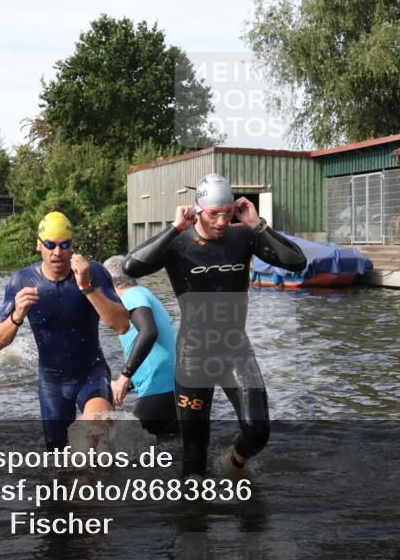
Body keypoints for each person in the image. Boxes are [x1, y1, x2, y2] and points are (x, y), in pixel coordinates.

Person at [124, 173, 307, 477]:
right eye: (213, 214)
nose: (221, 222)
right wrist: (174, 228)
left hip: (235, 349)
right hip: (194, 355)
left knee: (257, 429)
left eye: (226, 213)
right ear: (198, 210)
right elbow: (132, 266)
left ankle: (232, 463)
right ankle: (193, 519)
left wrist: (257, 224)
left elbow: (297, 262)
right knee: (194, 452)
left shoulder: (243, 236)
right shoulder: (179, 243)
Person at [0, 211, 130, 450]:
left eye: (64, 245)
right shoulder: (22, 281)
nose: (57, 252)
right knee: (58, 459)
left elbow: (122, 324)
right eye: (50, 245)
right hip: (52, 382)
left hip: (91, 373)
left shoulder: (93, 272)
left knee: (96, 425)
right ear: (39, 246)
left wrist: (86, 286)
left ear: (72, 245)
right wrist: (17, 316)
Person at [103, 255, 179, 437]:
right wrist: (129, 382)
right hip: (174, 389)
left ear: (107, 283)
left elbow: (149, 332)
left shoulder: (130, 296)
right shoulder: (143, 292)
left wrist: (123, 377)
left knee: (121, 447)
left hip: (162, 389)